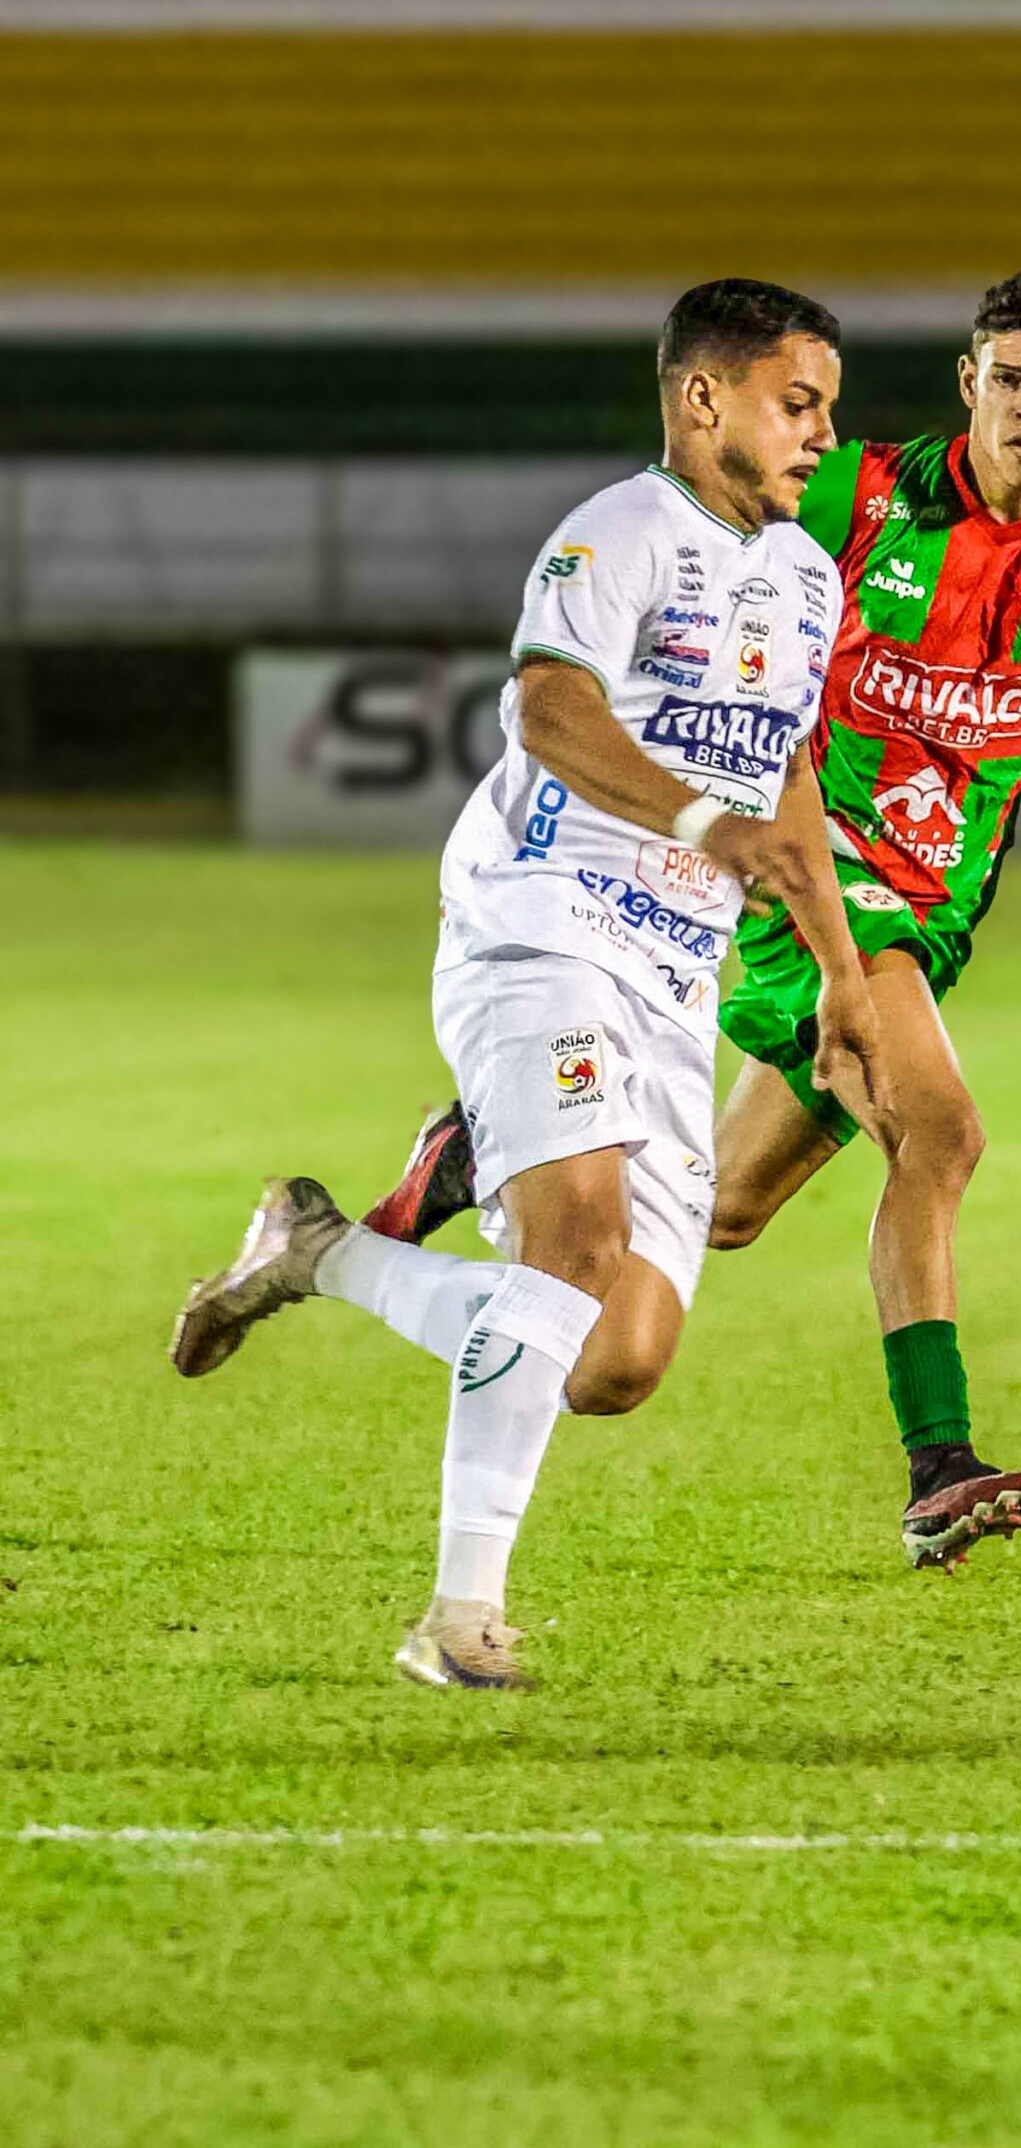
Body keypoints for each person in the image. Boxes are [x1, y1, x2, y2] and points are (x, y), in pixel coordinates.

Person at [368, 269, 1021, 1572]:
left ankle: (465, 1153)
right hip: (813, 881)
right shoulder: (860, 494)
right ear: (970, 382)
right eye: (1009, 377)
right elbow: (703, 531)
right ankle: (939, 1468)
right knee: (942, 1134)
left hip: (933, 911)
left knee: (721, 1211)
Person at [170, 279, 890, 1690]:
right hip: (540, 923)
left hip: (673, 976)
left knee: (612, 1362)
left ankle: (317, 1248)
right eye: (796, 404)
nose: (820, 437)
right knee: (566, 1250)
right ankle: (458, 1617)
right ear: (704, 399)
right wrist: (699, 823)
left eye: (829, 411)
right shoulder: (615, 533)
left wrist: (843, 975)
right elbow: (549, 710)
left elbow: (788, 780)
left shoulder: (809, 576)